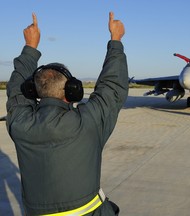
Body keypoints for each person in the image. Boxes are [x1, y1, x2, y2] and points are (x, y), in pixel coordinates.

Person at [6, 11, 128, 216]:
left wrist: (30, 47)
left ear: (33, 91)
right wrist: (115, 40)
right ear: (72, 91)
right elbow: (113, 87)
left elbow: (16, 90)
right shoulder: (87, 123)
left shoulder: (19, 123)